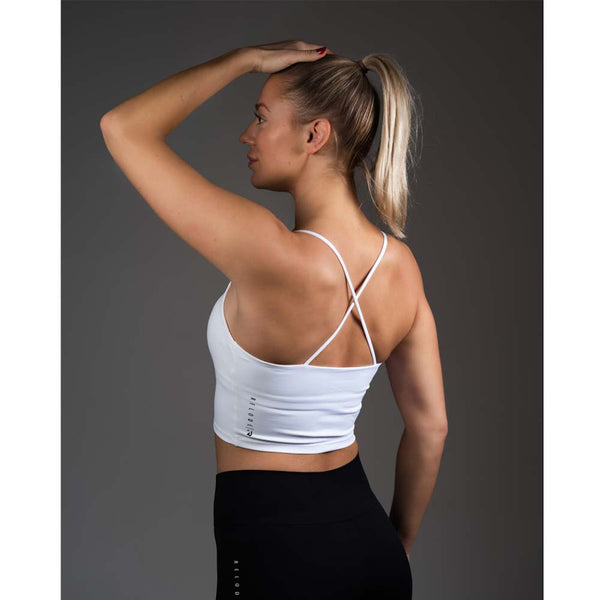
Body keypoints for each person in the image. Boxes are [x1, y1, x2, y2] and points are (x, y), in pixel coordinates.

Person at [100, 40, 447, 600]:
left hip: (273, 549)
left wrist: (243, 59)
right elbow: (431, 428)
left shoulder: (269, 252)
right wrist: (397, 546)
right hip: (370, 546)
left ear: (315, 136)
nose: (247, 135)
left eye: (260, 117)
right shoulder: (401, 268)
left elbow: (123, 128)